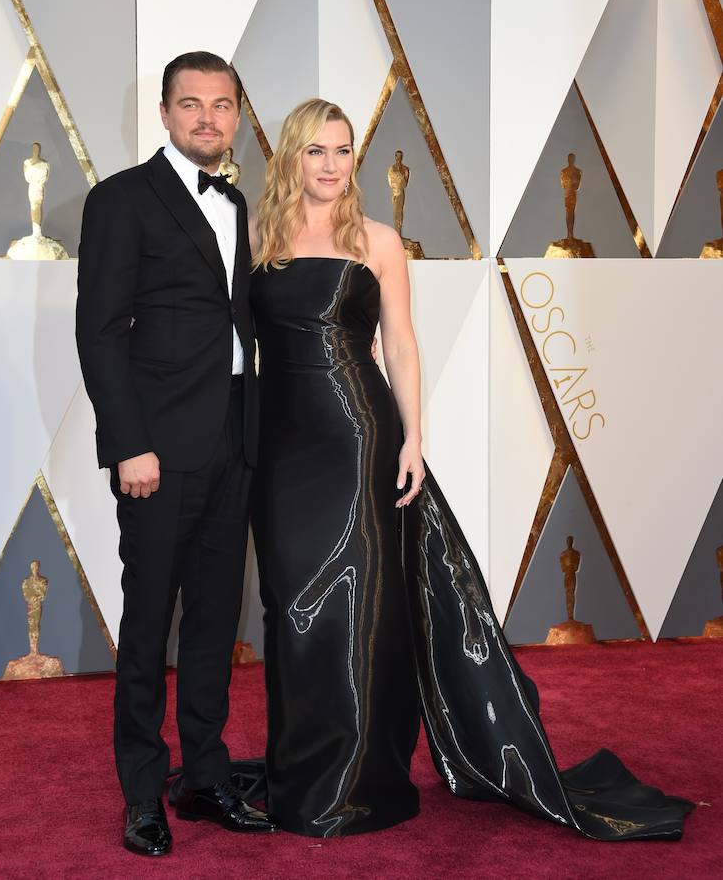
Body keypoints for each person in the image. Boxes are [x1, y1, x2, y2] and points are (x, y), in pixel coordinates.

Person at [248, 99, 694, 839]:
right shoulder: (258, 235)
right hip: (280, 444)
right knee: (292, 613)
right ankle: (300, 769)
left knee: (358, 607)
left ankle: (358, 778)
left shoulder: (377, 239)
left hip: (358, 435)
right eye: (314, 151)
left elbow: (402, 346)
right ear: (291, 156)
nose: (330, 165)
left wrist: (413, 438)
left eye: (342, 150)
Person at [76, 51, 277, 857]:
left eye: (221, 105)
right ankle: (140, 793)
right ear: (163, 113)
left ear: (236, 116)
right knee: (150, 620)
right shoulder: (122, 199)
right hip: (158, 449)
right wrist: (130, 445)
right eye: (190, 104)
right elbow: (100, 332)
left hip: (236, 438)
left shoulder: (236, 203)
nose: (207, 118)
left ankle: (204, 773)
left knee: (215, 620)